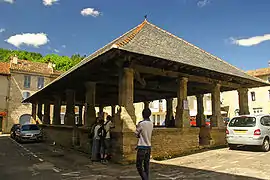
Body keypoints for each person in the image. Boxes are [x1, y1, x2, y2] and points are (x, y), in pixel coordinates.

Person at [135, 108, 153, 180]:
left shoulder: (141, 123)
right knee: (146, 165)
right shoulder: (151, 124)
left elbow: (136, 134)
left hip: (142, 147)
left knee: (138, 165)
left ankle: (145, 179)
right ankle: (146, 178)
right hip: (148, 147)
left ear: (143, 115)